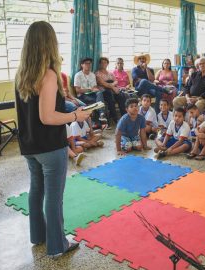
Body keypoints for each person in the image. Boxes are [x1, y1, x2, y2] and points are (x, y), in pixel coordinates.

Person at [15, 21, 90, 257]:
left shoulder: (21, 74)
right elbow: (47, 116)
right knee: (54, 197)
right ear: (50, 44)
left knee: (36, 190)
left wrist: (67, 105)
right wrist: (75, 115)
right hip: (49, 145)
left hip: (30, 145)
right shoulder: (47, 75)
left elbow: (36, 108)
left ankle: (38, 236)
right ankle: (58, 246)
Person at [73, 57, 107, 125]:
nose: (88, 65)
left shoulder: (92, 74)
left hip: (92, 94)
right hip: (82, 95)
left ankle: (101, 116)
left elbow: (94, 87)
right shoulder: (78, 75)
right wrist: (89, 89)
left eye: (90, 63)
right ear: (82, 65)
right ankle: (100, 119)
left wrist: (95, 89)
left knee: (100, 93)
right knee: (98, 101)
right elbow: (77, 90)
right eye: (86, 63)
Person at [95, 57, 126, 124]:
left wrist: (113, 87)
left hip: (111, 90)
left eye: (105, 62)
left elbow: (116, 81)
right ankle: (115, 118)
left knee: (121, 95)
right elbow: (103, 83)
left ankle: (124, 116)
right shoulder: (97, 73)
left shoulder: (110, 73)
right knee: (110, 95)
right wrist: (113, 87)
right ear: (100, 64)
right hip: (103, 91)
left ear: (107, 64)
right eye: (102, 63)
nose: (103, 64)